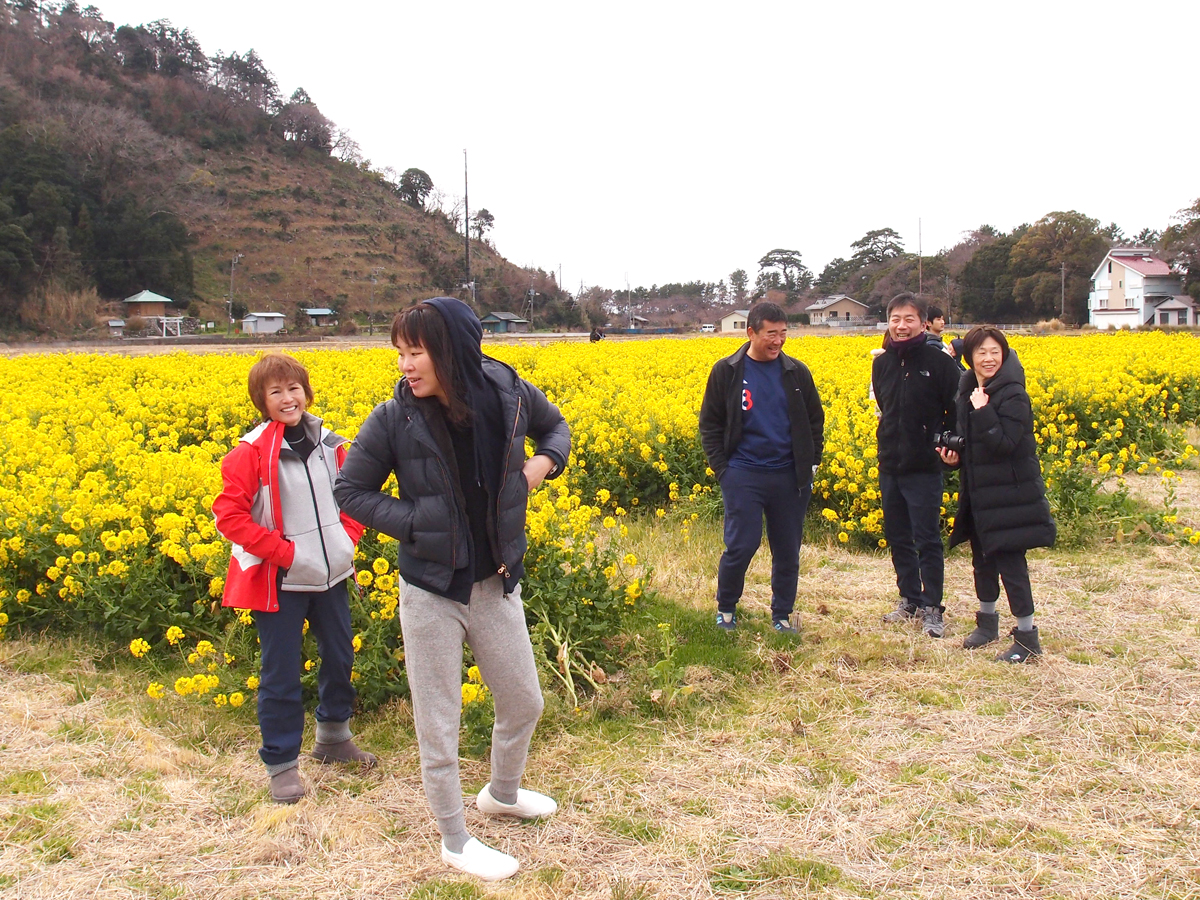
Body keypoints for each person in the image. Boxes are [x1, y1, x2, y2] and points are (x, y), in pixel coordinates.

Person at [333, 297, 570, 882]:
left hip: (495, 581)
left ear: (453, 352)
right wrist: (418, 523)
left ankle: (502, 793)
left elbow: (556, 427)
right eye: (401, 352)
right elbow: (350, 490)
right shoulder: (394, 418)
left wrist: (541, 465)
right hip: (431, 589)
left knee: (524, 702)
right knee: (438, 720)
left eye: (416, 352)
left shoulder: (505, 391)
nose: (405, 365)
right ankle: (455, 839)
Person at [212, 353, 375, 805]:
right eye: (276, 391)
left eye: (294, 388)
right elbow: (228, 516)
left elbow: (350, 495)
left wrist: (349, 539)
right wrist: (285, 554)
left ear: (307, 391)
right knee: (281, 673)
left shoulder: (330, 442)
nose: (288, 398)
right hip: (280, 582)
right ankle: (282, 764)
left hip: (332, 575)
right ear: (261, 402)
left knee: (340, 656)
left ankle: (333, 738)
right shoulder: (249, 454)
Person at [699, 301, 824, 635]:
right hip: (743, 472)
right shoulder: (727, 371)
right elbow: (709, 424)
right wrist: (723, 470)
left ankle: (782, 614)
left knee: (787, 549)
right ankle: (726, 609)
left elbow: (815, 421)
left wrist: (811, 464)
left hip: (789, 476)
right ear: (751, 332)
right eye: (771, 333)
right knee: (742, 545)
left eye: (783, 333)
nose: (778, 340)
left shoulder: (797, 372)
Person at [938, 326, 1055, 662]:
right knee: (982, 560)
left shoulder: (1013, 393)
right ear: (969, 357)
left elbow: (1005, 444)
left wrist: (983, 409)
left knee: (1010, 562)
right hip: (979, 491)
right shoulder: (968, 390)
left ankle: (1028, 638)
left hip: (1010, 493)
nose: (988, 359)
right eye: (981, 353)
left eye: (994, 352)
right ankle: (987, 623)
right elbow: (971, 442)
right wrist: (953, 457)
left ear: (1004, 355)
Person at [873, 293, 961, 638]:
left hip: (924, 465)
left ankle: (932, 606)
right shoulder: (881, 363)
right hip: (890, 463)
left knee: (927, 538)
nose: (901, 325)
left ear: (923, 323)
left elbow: (954, 410)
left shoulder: (938, 362)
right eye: (895, 318)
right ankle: (909, 598)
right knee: (898, 536)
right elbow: (885, 406)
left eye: (909, 319)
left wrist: (942, 442)